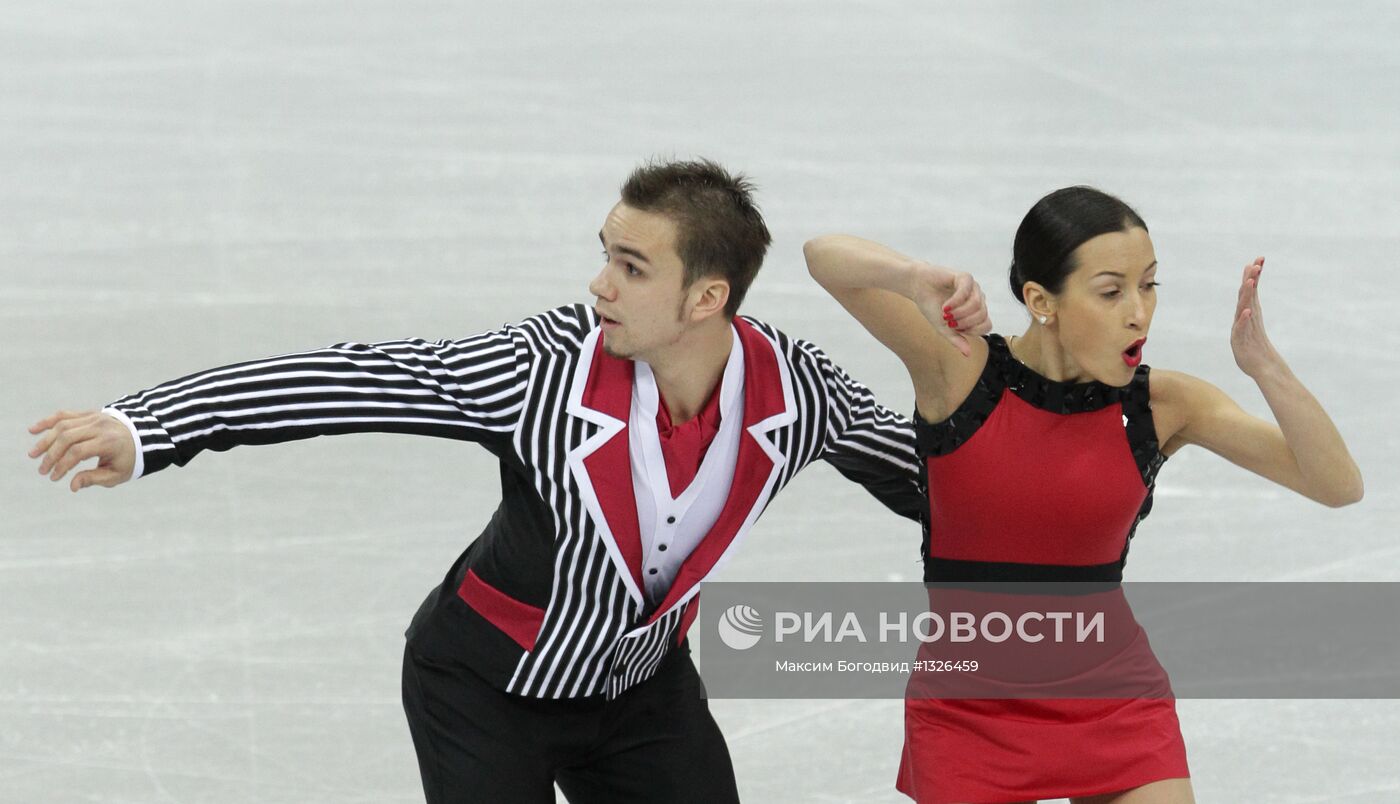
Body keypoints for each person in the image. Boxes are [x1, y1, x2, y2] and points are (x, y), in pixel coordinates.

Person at [28, 158, 990, 803]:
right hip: (480, 689)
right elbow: (356, 378)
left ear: (709, 298)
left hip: (643, 696)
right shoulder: (543, 371)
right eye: (603, 256)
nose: (599, 285)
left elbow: (943, 484)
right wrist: (147, 424)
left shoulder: (794, 392)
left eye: (631, 266)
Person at [804, 185, 1363, 804]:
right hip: (969, 712)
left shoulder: (1163, 406)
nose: (1139, 312)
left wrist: (1264, 365)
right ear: (1042, 301)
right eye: (1111, 290)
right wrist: (912, 275)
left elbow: (1335, 485)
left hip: (1112, 699)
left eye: (1149, 285)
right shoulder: (959, 369)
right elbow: (823, 256)